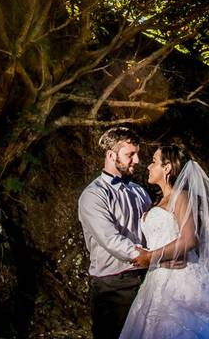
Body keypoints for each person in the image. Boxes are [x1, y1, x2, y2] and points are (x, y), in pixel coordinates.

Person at [120, 144, 209, 339]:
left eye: (154, 162)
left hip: (182, 280)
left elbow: (188, 239)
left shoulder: (181, 197)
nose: (148, 167)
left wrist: (151, 256)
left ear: (167, 168)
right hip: (156, 280)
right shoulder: (158, 201)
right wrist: (148, 255)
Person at [78, 127, 153, 339]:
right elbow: (110, 239)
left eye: (137, 154)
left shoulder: (139, 192)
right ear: (111, 155)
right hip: (112, 285)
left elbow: (153, 228)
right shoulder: (93, 195)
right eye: (131, 154)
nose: (137, 160)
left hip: (147, 277)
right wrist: (148, 256)